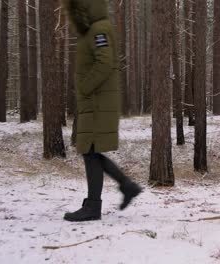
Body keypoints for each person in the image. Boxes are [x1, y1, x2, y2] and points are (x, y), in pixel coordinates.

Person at [63, 0, 142, 222]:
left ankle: (95, 205)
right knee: (91, 151)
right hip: (93, 103)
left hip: (97, 102)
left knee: (90, 152)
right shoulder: (92, 30)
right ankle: (126, 187)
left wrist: (84, 87)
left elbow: (105, 62)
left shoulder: (99, 29)